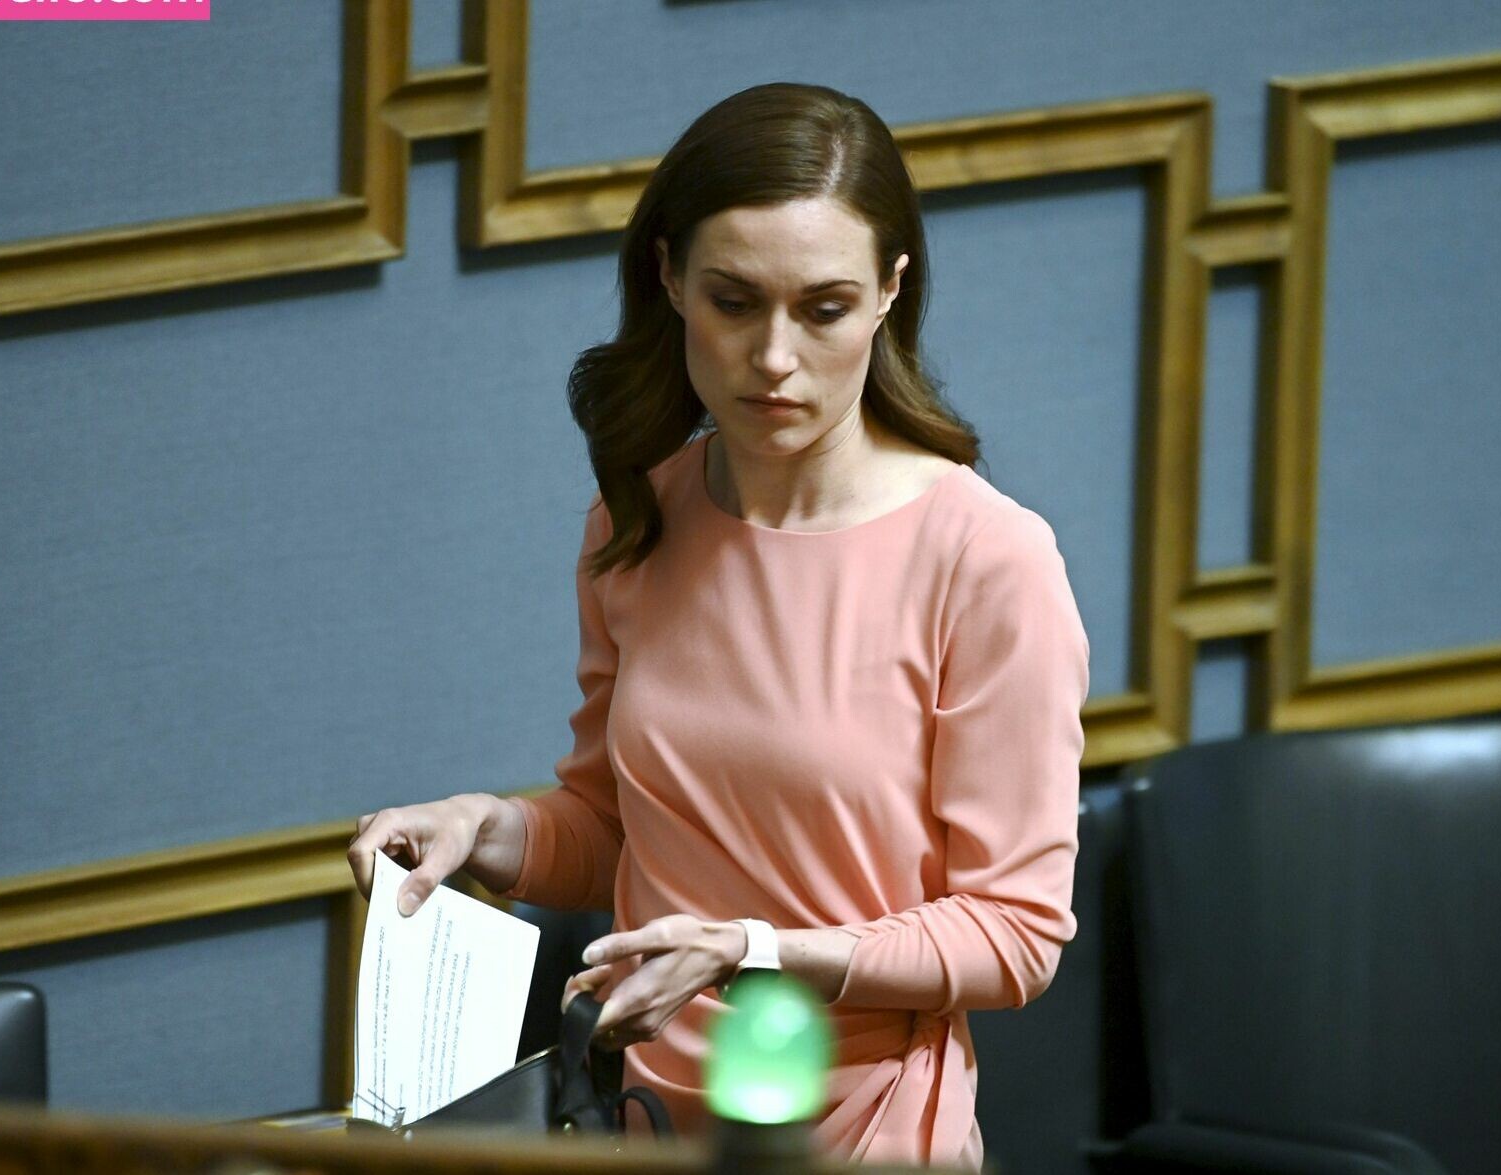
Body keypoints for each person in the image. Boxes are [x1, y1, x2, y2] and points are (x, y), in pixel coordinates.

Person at [346, 81, 1090, 1169]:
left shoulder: (987, 559)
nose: (774, 356)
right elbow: (619, 826)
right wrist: (481, 827)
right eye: (735, 302)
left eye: (823, 309)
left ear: (890, 292)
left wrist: (753, 951)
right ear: (670, 279)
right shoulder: (638, 516)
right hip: (640, 1120)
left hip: (863, 1133)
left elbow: (1015, 933)